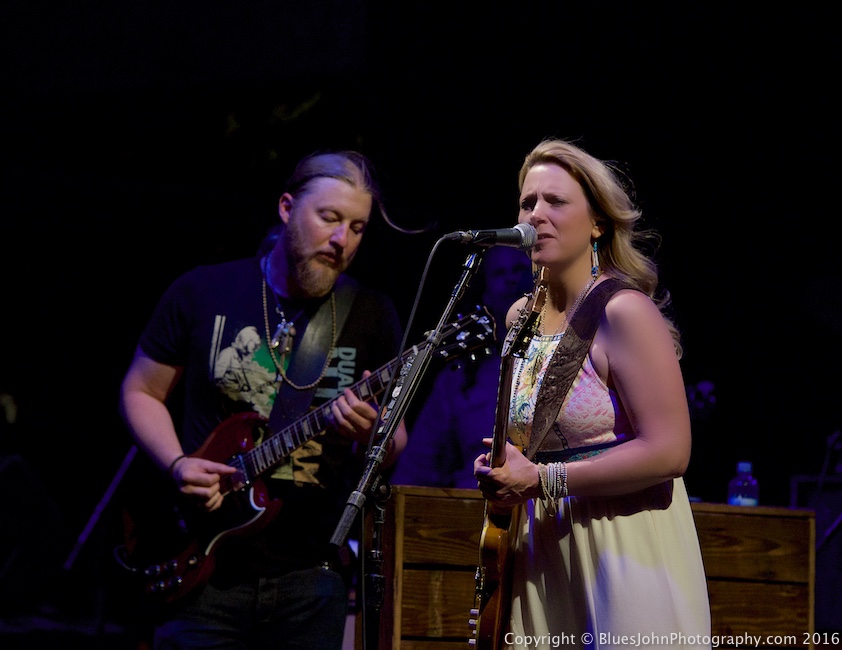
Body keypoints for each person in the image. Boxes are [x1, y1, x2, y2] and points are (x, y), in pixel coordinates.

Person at [119, 149, 408, 649]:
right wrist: (176, 465)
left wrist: (371, 431)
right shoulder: (203, 290)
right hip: (203, 568)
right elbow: (141, 390)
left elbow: (395, 441)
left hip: (311, 579)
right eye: (329, 218)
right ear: (286, 207)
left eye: (358, 228)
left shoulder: (371, 314)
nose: (342, 240)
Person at [473, 139, 711, 648]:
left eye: (555, 202)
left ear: (598, 223)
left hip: (622, 547)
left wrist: (544, 479)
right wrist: (502, 467)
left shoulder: (623, 311)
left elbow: (671, 451)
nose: (537, 214)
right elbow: (528, 442)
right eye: (527, 202)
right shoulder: (519, 318)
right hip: (541, 549)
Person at [392, 245, 534, 488]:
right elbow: (419, 464)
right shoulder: (459, 376)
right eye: (499, 273)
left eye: (519, 269)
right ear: (485, 294)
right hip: (472, 507)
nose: (511, 278)